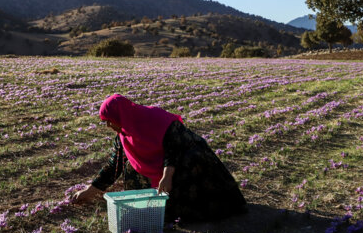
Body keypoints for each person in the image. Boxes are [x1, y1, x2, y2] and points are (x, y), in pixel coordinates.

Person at [72, 94, 247, 222]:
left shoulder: (156, 118)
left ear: (121, 115)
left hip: (189, 158)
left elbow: (174, 150)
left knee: (188, 194)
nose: (109, 125)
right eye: (105, 122)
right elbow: (114, 166)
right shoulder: (123, 135)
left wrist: (167, 176)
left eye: (110, 120)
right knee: (130, 167)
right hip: (165, 164)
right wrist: (89, 191)